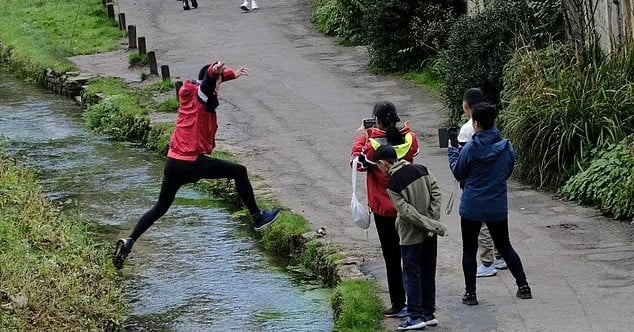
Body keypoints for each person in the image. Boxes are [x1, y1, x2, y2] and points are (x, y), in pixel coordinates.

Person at [112, 61, 281, 270]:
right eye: (218, 84)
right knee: (239, 171)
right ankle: (257, 217)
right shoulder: (201, 96)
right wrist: (214, 72)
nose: (219, 89)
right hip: (192, 162)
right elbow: (208, 82)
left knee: (160, 207)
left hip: (173, 162)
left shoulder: (191, 93)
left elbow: (208, 82)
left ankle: (130, 241)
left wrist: (230, 75)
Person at [448, 102, 532, 305]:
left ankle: (471, 294)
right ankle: (523, 286)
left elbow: (459, 173)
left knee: (469, 249)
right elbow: (507, 171)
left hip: (472, 204)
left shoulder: (469, 149)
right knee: (505, 246)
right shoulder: (506, 147)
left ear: (476, 124)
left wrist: (452, 153)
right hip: (496, 203)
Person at [351, 101, 419, 318]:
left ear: (377, 120)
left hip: (384, 209)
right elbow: (413, 149)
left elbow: (357, 163)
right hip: (407, 206)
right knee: (411, 256)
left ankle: (399, 304)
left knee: (392, 258)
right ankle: (419, 303)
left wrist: (362, 136)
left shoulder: (373, 146)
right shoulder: (409, 139)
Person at [374, 145, 445, 330]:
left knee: (412, 275)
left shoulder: (393, 184)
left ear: (383, 164)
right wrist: (432, 222)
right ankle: (428, 313)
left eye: (378, 166)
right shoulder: (420, 169)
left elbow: (406, 213)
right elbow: (436, 193)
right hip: (430, 233)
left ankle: (415, 316)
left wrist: (427, 224)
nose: (380, 171)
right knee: (428, 272)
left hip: (411, 236)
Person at [459, 88, 507, 278]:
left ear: (466, 106)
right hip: (494, 181)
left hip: (475, 185)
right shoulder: (493, 126)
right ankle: (500, 256)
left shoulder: (467, 130)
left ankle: (487, 262)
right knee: (495, 221)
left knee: (482, 225)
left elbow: (463, 164)